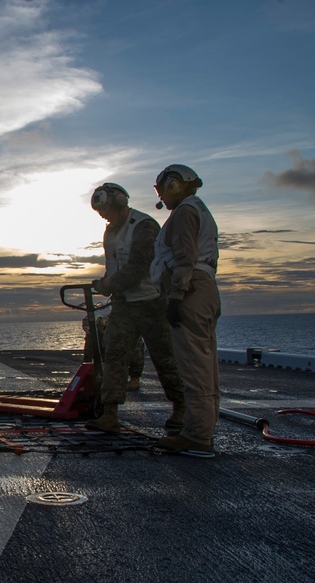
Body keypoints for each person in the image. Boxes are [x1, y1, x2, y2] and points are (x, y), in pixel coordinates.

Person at [84, 183, 186, 435]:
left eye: (106, 210)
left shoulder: (145, 226)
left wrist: (109, 284)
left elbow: (140, 266)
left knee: (165, 358)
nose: (104, 216)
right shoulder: (110, 232)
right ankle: (110, 413)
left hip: (151, 302)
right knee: (114, 354)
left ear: (120, 203)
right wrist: (108, 282)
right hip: (124, 304)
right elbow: (115, 266)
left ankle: (182, 408)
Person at [150, 165, 221, 457]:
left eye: (162, 190)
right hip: (203, 289)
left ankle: (196, 437)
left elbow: (184, 258)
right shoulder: (198, 210)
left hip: (190, 290)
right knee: (204, 364)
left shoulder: (183, 213)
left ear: (174, 185)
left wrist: (176, 296)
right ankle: (201, 430)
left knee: (193, 366)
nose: (162, 197)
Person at [82, 314, 144, 390]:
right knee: (91, 339)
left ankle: (135, 379)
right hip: (104, 334)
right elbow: (87, 323)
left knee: (135, 343)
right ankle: (87, 376)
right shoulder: (100, 311)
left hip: (122, 332)